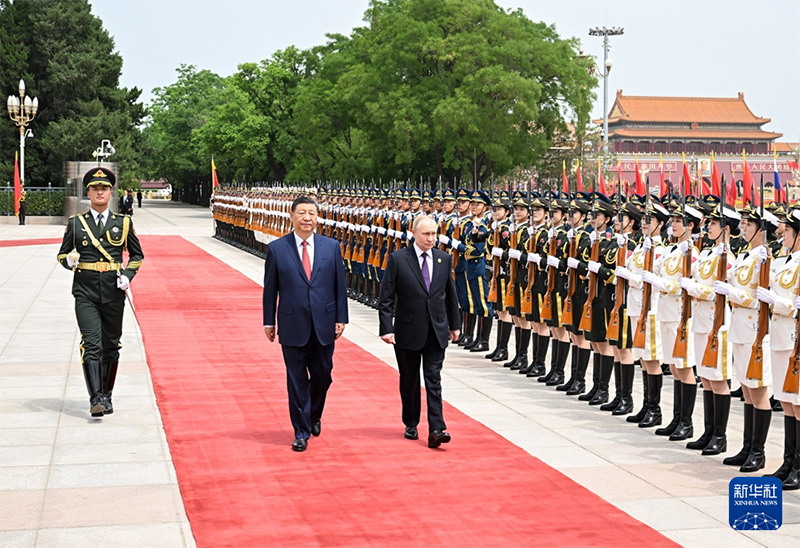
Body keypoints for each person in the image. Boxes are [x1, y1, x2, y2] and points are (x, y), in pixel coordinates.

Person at [262, 195, 348, 452]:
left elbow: (339, 286)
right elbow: (270, 289)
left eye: (311, 213)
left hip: (324, 323)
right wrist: (269, 321)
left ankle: (313, 414)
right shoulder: (277, 249)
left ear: (317, 217)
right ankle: (301, 431)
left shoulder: (331, 247)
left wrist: (341, 317)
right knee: (296, 379)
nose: (307, 218)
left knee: (323, 377)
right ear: (291, 216)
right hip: (292, 324)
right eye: (302, 213)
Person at [57, 168, 144, 417]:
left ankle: (107, 395)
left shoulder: (123, 223)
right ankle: (95, 397)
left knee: (111, 345)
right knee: (91, 343)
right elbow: (62, 254)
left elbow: (137, 255)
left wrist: (127, 275)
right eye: (95, 188)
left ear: (110, 192)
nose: (100, 192)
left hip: (113, 292)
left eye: (104, 188)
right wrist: (69, 261)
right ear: (88, 193)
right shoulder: (76, 224)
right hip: (85, 291)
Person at [379, 215, 461, 448]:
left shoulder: (443, 259)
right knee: (410, 380)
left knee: (433, 379)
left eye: (434, 234)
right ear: (413, 233)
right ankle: (411, 422)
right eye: (426, 234)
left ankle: (437, 428)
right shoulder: (398, 259)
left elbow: (449, 294)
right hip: (407, 330)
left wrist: (454, 325)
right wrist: (387, 328)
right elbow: (385, 297)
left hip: (436, 330)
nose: (431, 238)